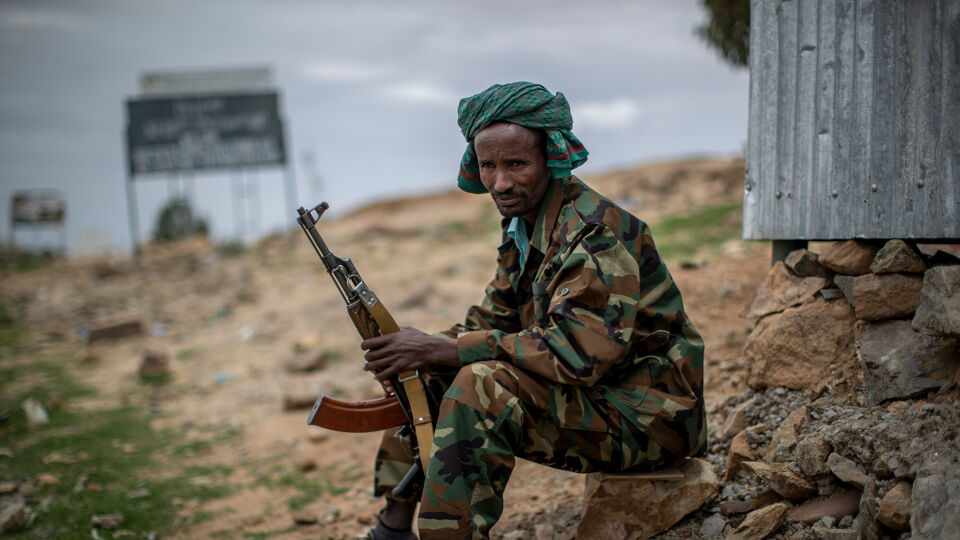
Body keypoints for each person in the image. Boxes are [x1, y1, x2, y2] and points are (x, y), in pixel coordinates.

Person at [360, 81, 706, 540]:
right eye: (488, 166)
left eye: (516, 164)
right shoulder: (526, 222)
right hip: (601, 400)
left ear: (552, 158)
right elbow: (494, 319)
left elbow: (577, 355)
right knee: (426, 373)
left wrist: (444, 349)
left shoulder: (593, 234)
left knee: (479, 384)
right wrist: (414, 346)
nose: (500, 183)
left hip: (650, 416)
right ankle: (394, 525)